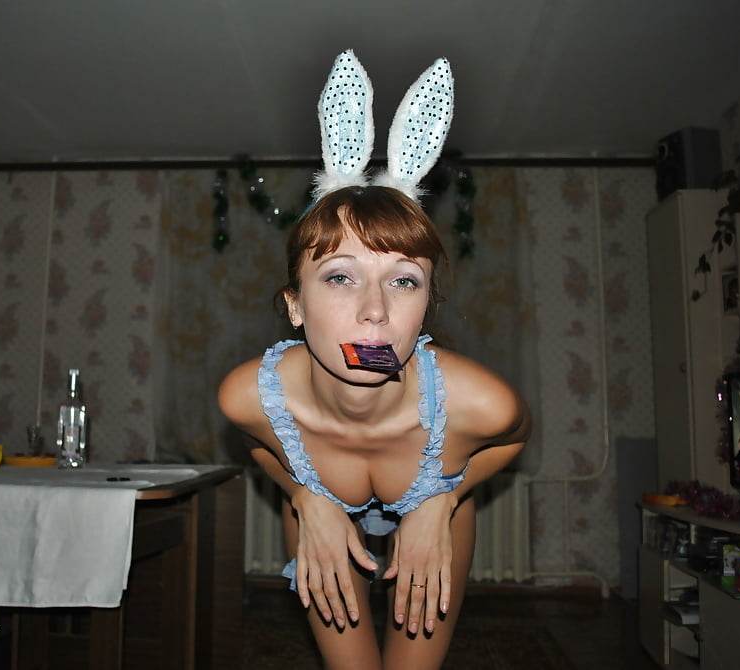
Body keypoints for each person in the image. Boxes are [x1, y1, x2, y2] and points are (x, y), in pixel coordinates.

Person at [218, 50, 531, 669]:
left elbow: (515, 437)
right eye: (340, 277)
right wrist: (303, 495)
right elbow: (257, 444)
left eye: (404, 281)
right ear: (294, 306)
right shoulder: (249, 396)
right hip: (319, 504)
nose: (375, 312)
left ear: (426, 307)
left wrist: (444, 499)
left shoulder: (480, 402)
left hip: (437, 497)